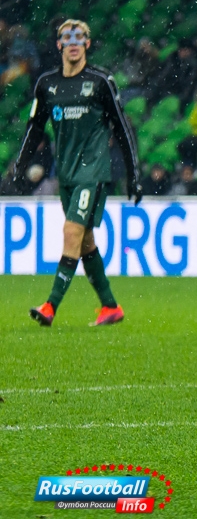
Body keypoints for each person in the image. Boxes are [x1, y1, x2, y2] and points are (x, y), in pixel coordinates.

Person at [5, 19, 141, 327]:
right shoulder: (47, 84)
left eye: (80, 37)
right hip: (66, 173)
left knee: (71, 232)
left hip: (93, 171)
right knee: (85, 241)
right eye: (68, 37)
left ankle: (50, 306)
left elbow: (122, 129)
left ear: (88, 44)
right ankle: (110, 307)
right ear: (59, 45)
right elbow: (34, 128)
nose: (74, 42)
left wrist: (133, 174)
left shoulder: (101, 81)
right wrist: (19, 167)